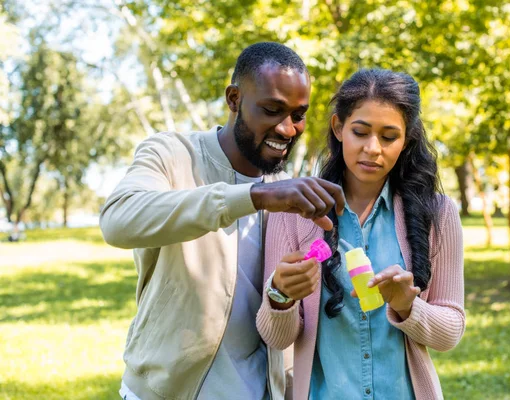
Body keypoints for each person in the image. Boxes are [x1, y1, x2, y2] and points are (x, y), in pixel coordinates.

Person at [100, 42, 345, 400]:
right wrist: (253, 198)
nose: (288, 129)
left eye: (298, 114)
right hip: (164, 392)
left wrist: (284, 293)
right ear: (234, 99)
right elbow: (118, 221)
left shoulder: (288, 192)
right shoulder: (172, 154)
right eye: (272, 110)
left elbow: (284, 321)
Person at [256, 69, 465, 400]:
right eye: (360, 132)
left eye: (388, 136)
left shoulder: (437, 214)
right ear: (339, 128)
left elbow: (450, 332)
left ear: (406, 139)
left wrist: (407, 305)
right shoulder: (293, 213)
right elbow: (277, 338)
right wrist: (280, 295)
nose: (373, 149)